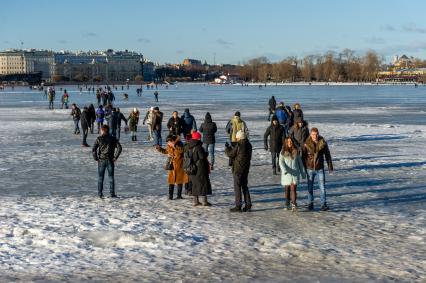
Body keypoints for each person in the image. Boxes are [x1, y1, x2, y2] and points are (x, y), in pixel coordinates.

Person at [302, 128, 334, 211]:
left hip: (320, 168)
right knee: (310, 187)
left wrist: (330, 166)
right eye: (313, 134)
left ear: (318, 134)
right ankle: (310, 203)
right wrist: (302, 168)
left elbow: (327, 154)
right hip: (310, 168)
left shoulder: (322, 142)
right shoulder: (306, 143)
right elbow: (303, 157)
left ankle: (323, 204)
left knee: (322, 187)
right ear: (310, 135)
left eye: (316, 134)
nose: (315, 136)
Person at [225, 130, 252, 212]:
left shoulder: (239, 145)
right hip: (246, 167)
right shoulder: (249, 144)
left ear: (240, 137)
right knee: (244, 186)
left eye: (237, 137)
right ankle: (248, 204)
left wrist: (227, 148)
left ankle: (238, 205)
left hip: (238, 168)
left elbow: (231, 154)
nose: (236, 139)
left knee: (237, 187)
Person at [92, 125, 122, 198]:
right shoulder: (112, 138)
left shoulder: (99, 138)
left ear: (103, 130)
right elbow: (119, 148)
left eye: (101, 130)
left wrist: (96, 158)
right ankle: (112, 193)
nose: (100, 131)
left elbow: (93, 150)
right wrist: (115, 157)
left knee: (100, 178)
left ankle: (100, 194)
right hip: (110, 160)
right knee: (111, 177)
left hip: (102, 160)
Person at [156, 135, 188, 200]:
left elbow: (181, 151)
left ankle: (179, 195)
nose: (168, 143)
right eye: (167, 142)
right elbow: (166, 151)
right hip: (172, 166)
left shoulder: (179, 144)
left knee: (179, 181)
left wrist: (174, 146)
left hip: (179, 165)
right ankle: (170, 196)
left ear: (172, 140)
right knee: (171, 181)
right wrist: (160, 149)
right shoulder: (169, 146)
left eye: (169, 141)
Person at [279, 137, 306, 211]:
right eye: (288, 142)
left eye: (290, 141)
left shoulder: (296, 151)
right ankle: (287, 204)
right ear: (286, 143)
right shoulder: (282, 152)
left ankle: (294, 204)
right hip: (287, 174)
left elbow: (300, 163)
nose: (289, 143)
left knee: (293, 189)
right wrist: (284, 170)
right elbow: (281, 162)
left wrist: (303, 173)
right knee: (287, 190)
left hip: (295, 173)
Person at [187, 131, 212, 206]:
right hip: (200, 168)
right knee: (203, 184)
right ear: (197, 138)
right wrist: (206, 153)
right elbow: (202, 157)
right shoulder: (198, 147)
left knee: (194, 184)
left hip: (192, 168)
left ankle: (196, 201)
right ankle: (204, 201)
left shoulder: (189, 146)